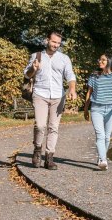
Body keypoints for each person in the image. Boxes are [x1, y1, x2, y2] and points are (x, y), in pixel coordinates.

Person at [24, 31, 78, 170]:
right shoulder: (36, 56)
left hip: (58, 96)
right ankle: (37, 150)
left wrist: (72, 89)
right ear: (47, 40)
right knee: (40, 125)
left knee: (53, 127)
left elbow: (70, 75)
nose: (56, 45)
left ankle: (49, 157)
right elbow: (27, 75)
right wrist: (33, 69)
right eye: (54, 42)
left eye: (58, 43)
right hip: (40, 94)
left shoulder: (64, 58)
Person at [83, 53, 112, 171]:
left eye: (103, 60)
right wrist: (86, 109)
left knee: (107, 137)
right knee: (100, 135)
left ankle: (102, 157)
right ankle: (103, 160)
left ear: (110, 62)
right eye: (99, 59)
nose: (100, 62)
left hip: (111, 110)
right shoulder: (94, 76)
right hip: (96, 109)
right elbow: (89, 93)